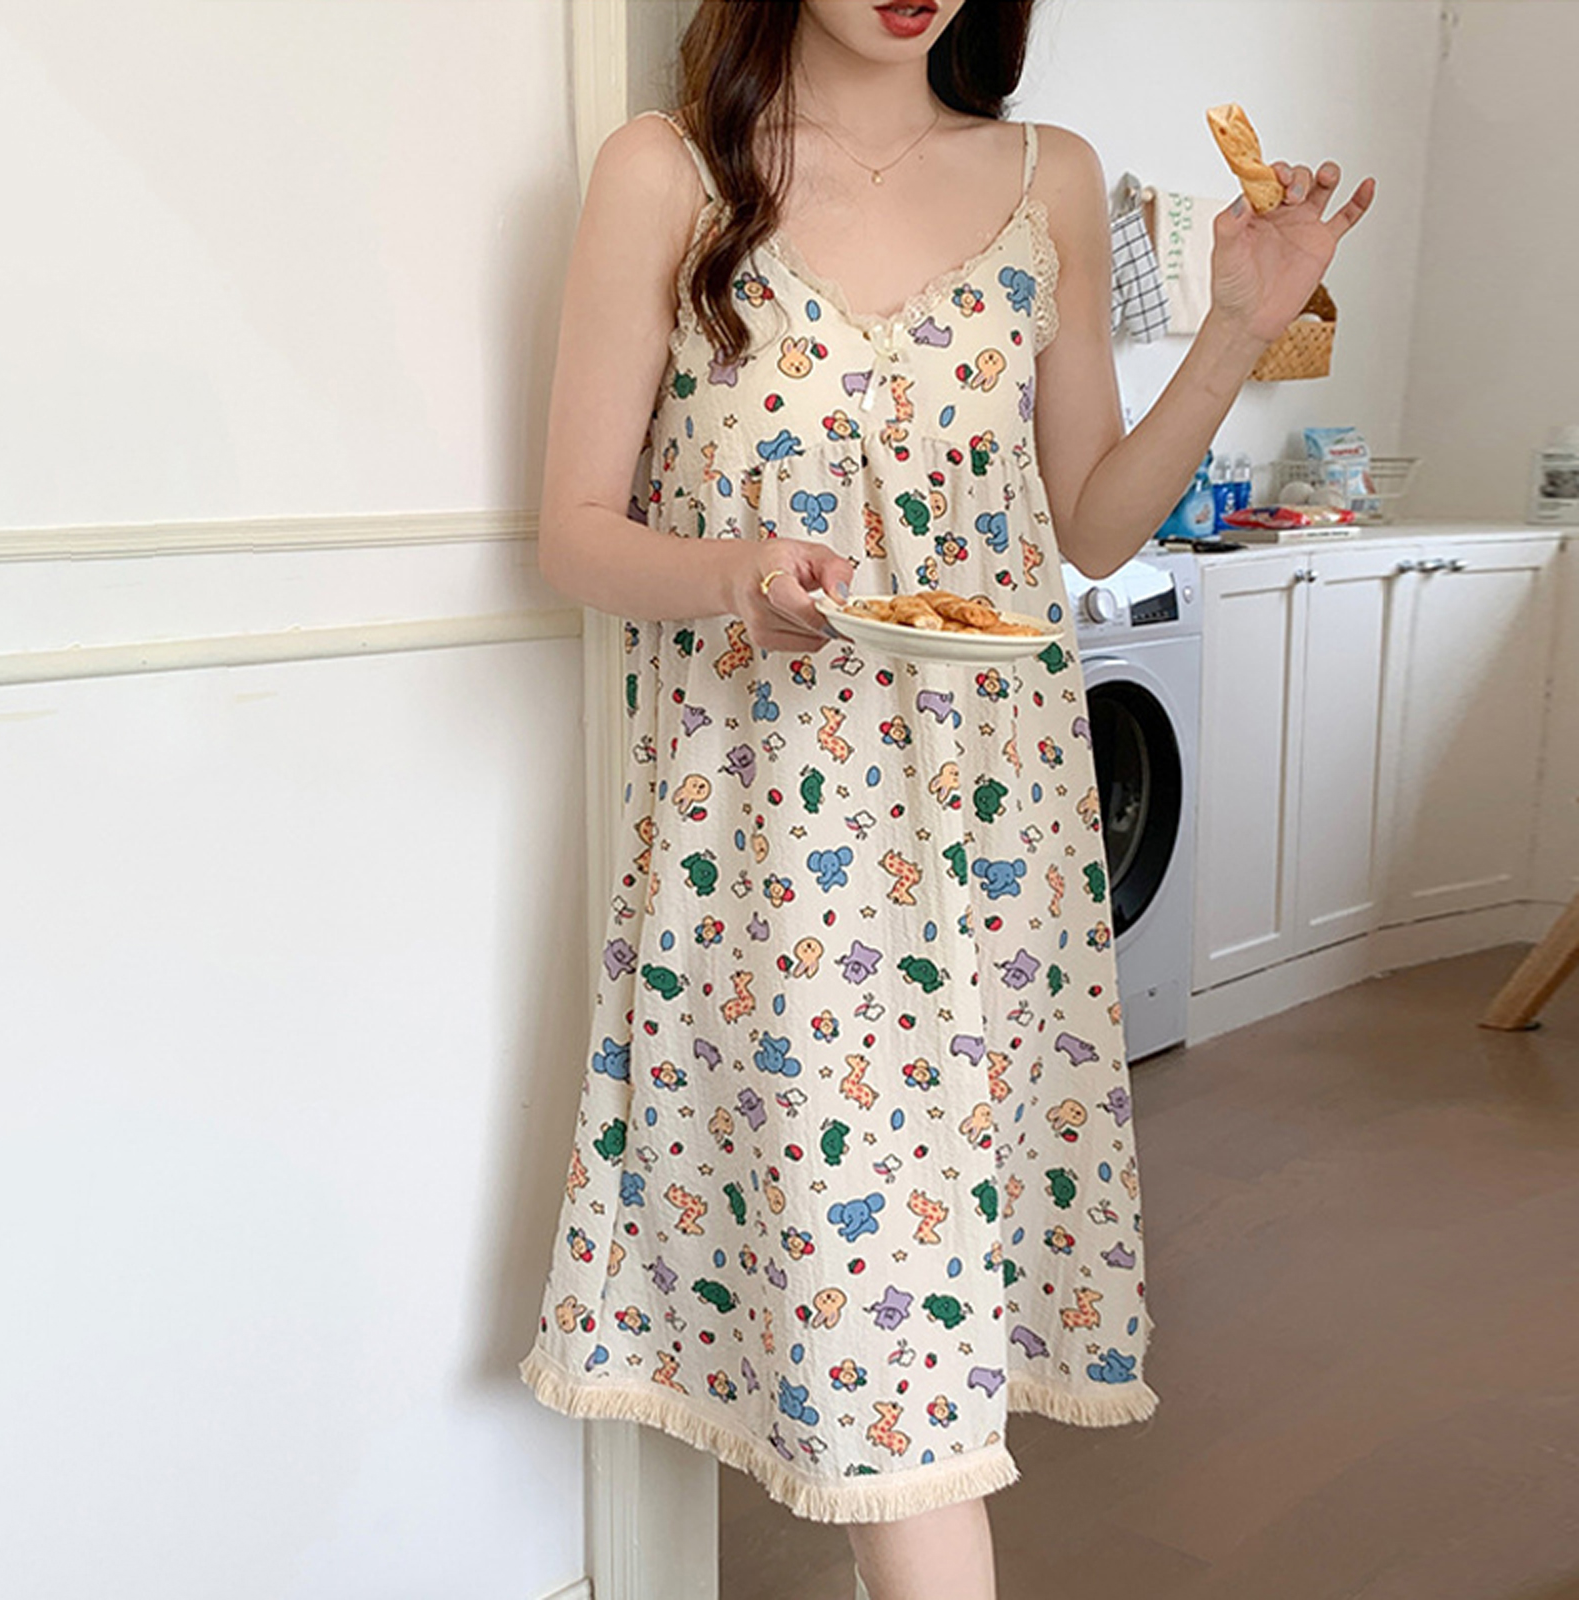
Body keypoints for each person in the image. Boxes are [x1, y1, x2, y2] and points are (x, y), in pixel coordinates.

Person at [520, 3, 1375, 1596]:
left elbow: (1094, 525)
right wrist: (734, 573)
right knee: (879, 1351)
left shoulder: (1052, 178)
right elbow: (572, 531)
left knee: (918, 1338)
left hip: (1001, 842)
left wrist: (1234, 333)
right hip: (776, 849)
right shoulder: (666, 175)